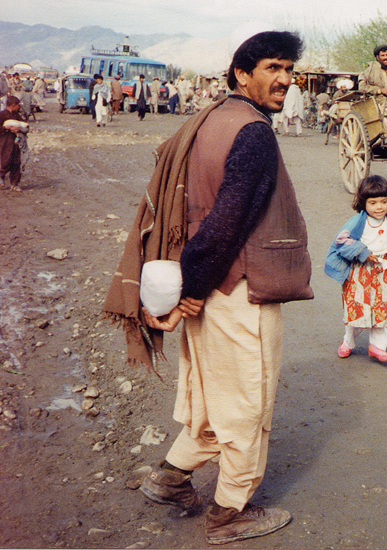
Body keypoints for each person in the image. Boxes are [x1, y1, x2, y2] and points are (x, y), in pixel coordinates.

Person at [108, 31, 313, 545]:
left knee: (211, 395)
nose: (285, 80)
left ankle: (171, 478)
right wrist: (194, 290)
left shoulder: (210, 119)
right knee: (248, 403)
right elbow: (224, 223)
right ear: (242, 73)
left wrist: (187, 289)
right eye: (272, 68)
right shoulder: (253, 131)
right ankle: (230, 512)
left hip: (206, 284)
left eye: (289, 70)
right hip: (235, 288)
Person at [325, 175, 387, 363]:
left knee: (381, 308)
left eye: (384, 201)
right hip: (360, 272)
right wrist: (362, 251)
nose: (379, 207)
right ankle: (348, 341)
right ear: (363, 203)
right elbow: (341, 242)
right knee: (357, 309)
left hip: (384, 271)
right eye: (373, 202)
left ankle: (377, 346)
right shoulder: (357, 222)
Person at [0, 96, 28, 192]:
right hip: (5, 142)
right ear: (13, 105)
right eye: (18, 105)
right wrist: (7, 128)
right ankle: (1, 176)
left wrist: (20, 129)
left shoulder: (16, 116)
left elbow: (24, 124)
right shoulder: (2, 115)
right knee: (5, 161)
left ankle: (14, 184)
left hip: (16, 143)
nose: (19, 107)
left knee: (16, 162)